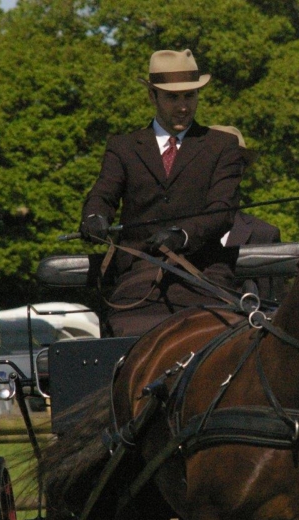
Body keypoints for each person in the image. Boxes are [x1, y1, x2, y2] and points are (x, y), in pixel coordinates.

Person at [79, 49, 243, 337]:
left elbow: (223, 208)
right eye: (172, 97)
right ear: (152, 96)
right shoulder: (124, 147)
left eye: (189, 96)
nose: (183, 107)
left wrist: (183, 234)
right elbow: (103, 194)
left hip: (204, 274)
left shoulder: (222, 145)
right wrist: (94, 218)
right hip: (139, 277)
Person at [209, 125, 286, 302]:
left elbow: (272, 311)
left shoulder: (264, 235)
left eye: (232, 164)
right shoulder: (175, 232)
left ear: (242, 171)